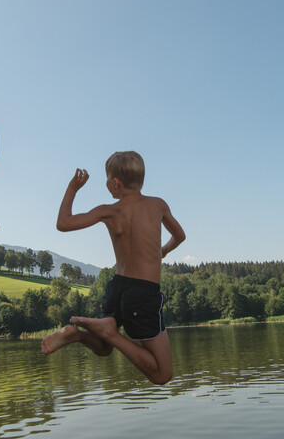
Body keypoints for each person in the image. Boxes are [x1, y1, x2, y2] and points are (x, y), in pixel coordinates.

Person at [43, 151, 185, 385]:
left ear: (116, 183)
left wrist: (72, 189)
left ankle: (76, 334)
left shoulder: (109, 211)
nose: (106, 183)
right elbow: (179, 236)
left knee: (103, 349)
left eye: (107, 178)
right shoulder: (158, 205)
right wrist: (164, 250)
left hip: (116, 288)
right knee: (162, 374)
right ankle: (109, 331)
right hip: (143, 293)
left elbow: (63, 223)